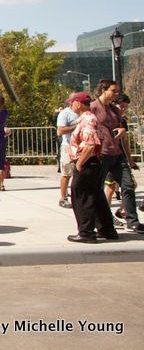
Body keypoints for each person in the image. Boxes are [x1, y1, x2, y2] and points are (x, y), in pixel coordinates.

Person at [91, 81, 144, 233]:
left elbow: (122, 133)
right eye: (113, 91)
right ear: (103, 90)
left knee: (128, 186)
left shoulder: (114, 109)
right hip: (102, 155)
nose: (116, 93)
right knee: (98, 188)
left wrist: (129, 158)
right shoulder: (93, 107)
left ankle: (132, 221)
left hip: (117, 155)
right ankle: (100, 222)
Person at [66, 92, 117, 242]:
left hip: (88, 162)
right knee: (96, 196)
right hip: (92, 162)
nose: (71, 105)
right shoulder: (89, 118)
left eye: (72, 102)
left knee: (81, 196)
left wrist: (80, 163)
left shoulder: (87, 119)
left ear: (78, 103)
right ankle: (107, 229)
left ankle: (86, 232)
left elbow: (90, 143)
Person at [56, 96, 80, 208]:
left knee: (80, 174)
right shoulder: (65, 114)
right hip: (68, 146)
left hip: (82, 147)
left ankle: (80, 197)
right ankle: (63, 197)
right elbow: (60, 131)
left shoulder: (83, 113)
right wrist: (78, 126)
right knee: (66, 174)